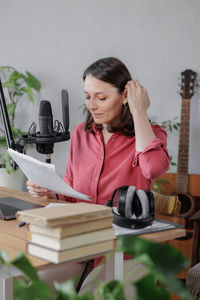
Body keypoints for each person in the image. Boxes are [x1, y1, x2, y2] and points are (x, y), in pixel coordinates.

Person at [26, 57, 169, 294]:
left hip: (125, 252)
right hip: (80, 245)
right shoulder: (80, 134)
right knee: (34, 292)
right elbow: (73, 195)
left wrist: (139, 112)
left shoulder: (149, 135)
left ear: (125, 96)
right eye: (87, 96)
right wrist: (52, 193)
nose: (92, 105)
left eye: (101, 97)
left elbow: (153, 168)